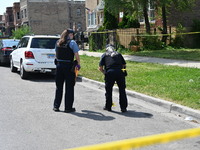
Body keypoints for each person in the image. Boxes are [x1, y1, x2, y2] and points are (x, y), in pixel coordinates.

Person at [53, 29, 80, 113]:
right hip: (68, 66)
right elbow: (77, 55)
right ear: (69, 35)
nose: (73, 36)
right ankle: (68, 108)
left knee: (59, 87)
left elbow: (55, 54)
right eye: (72, 35)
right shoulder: (72, 43)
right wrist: (78, 64)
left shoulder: (58, 42)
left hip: (59, 66)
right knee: (69, 87)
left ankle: (56, 106)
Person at [99, 45, 128, 112]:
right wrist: (123, 71)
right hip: (120, 73)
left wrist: (105, 73)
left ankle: (108, 106)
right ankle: (123, 108)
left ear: (106, 49)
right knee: (122, 90)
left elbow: (100, 68)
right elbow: (124, 65)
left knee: (109, 90)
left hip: (110, 73)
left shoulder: (104, 55)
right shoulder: (119, 54)